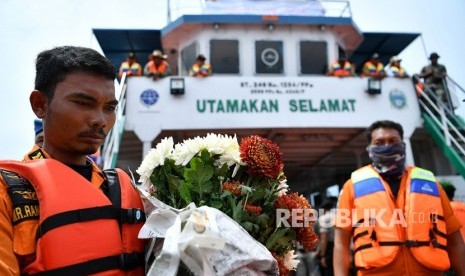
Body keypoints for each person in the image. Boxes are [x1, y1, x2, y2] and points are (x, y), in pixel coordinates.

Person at [0, 46, 146, 275]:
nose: (100, 120)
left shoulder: (126, 189)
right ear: (40, 104)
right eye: (83, 103)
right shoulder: (6, 191)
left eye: (109, 108)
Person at [333, 120, 465, 276]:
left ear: (403, 144)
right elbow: (341, 243)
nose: (387, 146)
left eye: (393, 141)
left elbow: (455, 241)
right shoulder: (352, 186)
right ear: (370, 149)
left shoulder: (432, 186)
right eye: (379, 142)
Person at [317, 200, 336, 276]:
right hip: (341, 245)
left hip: (330, 248)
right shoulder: (339, 216)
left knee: (329, 272)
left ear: (324, 209)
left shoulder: (323, 218)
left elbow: (324, 238)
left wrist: (323, 255)